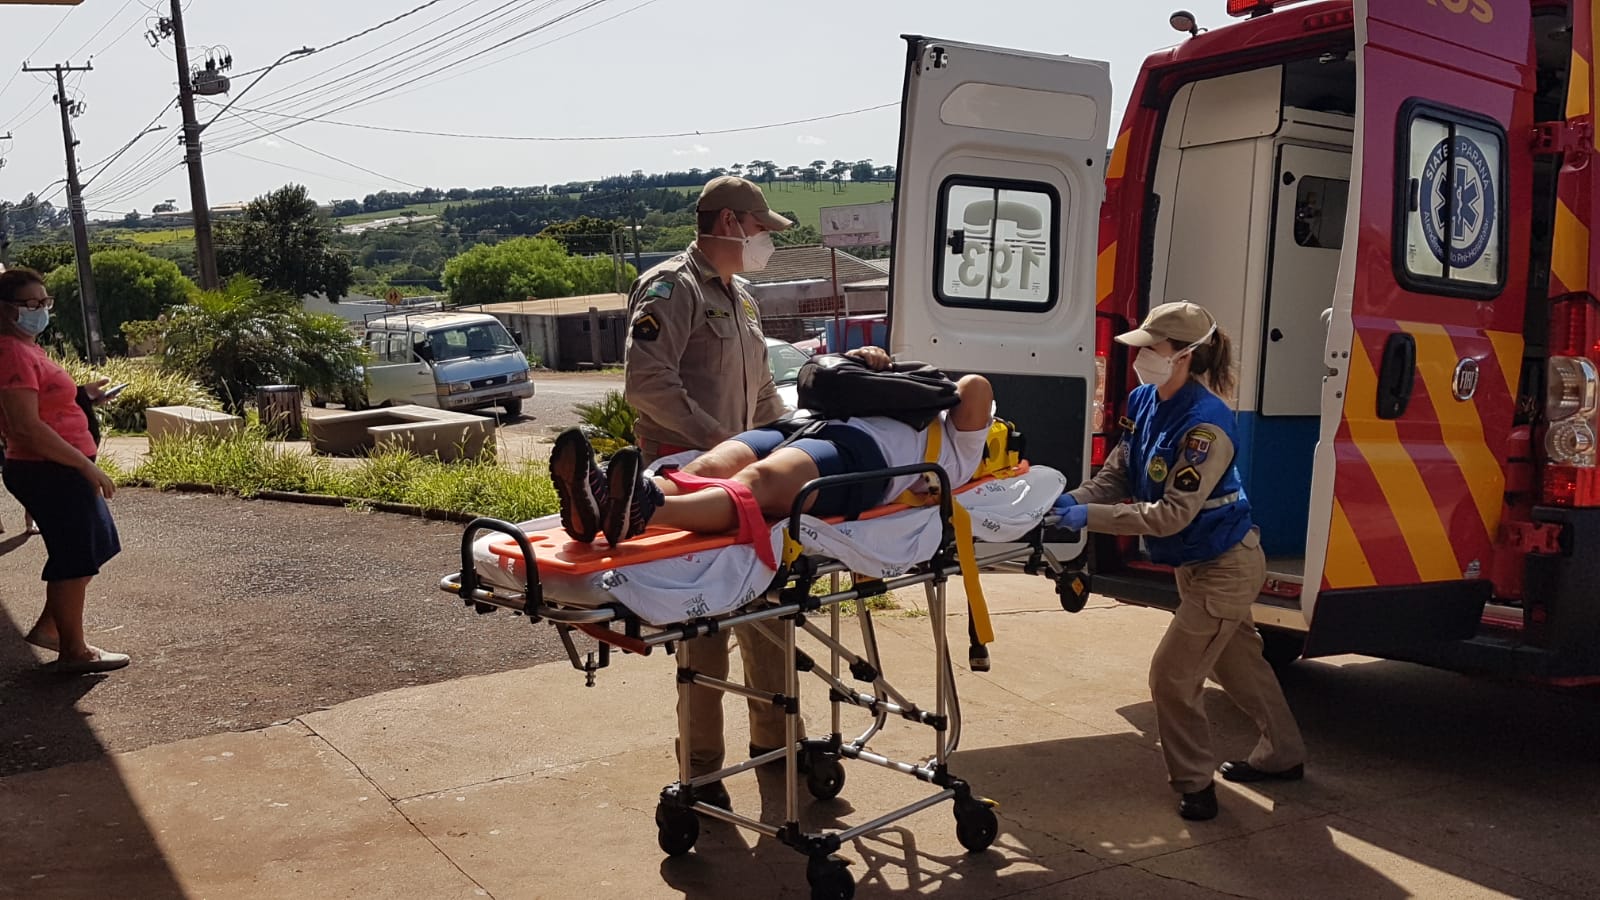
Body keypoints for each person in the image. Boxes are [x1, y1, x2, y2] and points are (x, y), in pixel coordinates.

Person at [584, 176, 792, 810]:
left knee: (772, 617)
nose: (765, 242)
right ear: (729, 222)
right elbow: (647, 386)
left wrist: (783, 443)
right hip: (687, 477)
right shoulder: (671, 287)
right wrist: (720, 448)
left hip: (748, 487)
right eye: (761, 229)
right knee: (707, 631)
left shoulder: (744, 300)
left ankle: (776, 748)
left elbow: (762, 395)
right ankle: (701, 772)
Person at [1054, 301, 1304, 821]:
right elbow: (1117, 475)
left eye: (1152, 347)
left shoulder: (1206, 425)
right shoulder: (1145, 401)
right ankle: (1283, 756)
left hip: (1226, 565)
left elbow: (1171, 514)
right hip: (1199, 565)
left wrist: (1090, 519)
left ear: (1185, 355)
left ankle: (1195, 784)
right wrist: (1073, 500)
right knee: (1240, 668)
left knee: (1171, 677)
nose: (1142, 355)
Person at [556, 347, 995, 546]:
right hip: (806, 423)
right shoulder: (909, 401)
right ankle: (601, 503)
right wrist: (871, 361)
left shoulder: (957, 452)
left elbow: (975, 388)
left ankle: (645, 512)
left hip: (866, 451)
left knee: (760, 481)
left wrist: (907, 377)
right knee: (709, 465)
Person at [0, 267, 128, 674]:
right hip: (49, 469)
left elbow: (43, 404)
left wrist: (82, 396)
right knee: (76, 553)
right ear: (5, 310)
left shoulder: (26, 348)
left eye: (45, 302)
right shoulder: (12, 352)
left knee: (96, 545)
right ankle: (74, 649)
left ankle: (52, 627)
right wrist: (85, 468)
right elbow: (25, 426)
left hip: (57, 466)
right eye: (30, 304)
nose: (40, 310)